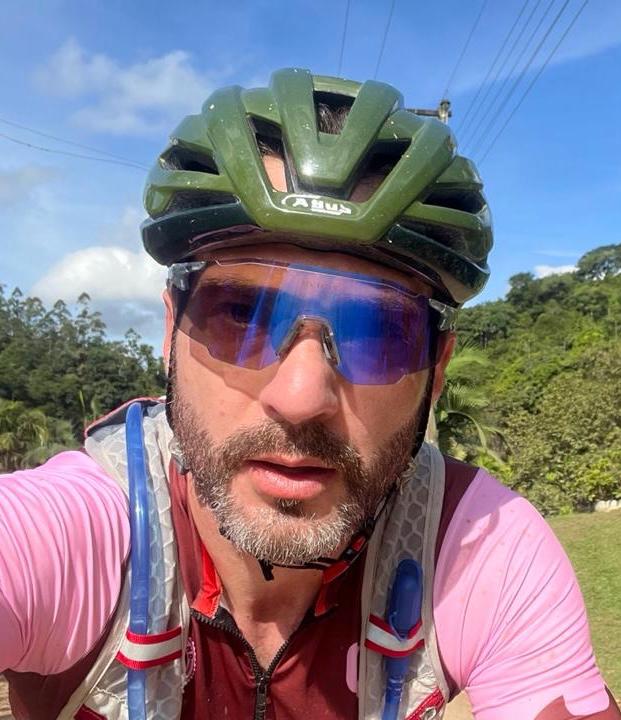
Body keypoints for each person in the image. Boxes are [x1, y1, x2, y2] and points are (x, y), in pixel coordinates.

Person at [0, 68, 619, 720]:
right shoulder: (72, 537)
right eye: (239, 314)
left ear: (436, 370)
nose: (299, 398)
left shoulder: (475, 545)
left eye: (377, 333)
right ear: (170, 329)